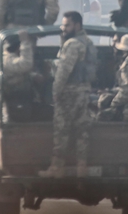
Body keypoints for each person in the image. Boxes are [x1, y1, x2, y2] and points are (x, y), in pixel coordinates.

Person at [39, 12, 97, 178]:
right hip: (84, 91)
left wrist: (55, 92)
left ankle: (57, 167)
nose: (63, 28)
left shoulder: (72, 44)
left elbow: (63, 71)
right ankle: (82, 167)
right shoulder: (87, 42)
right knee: (82, 131)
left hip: (70, 92)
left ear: (77, 25)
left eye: (67, 25)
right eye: (63, 25)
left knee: (61, 130)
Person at [0, 30, 38, 122]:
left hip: (21, 103)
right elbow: (25, 64)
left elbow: (19, 73)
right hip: (14, 107)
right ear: (19, 47)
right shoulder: (7, 60)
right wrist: (25, 42)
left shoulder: (9, 60)